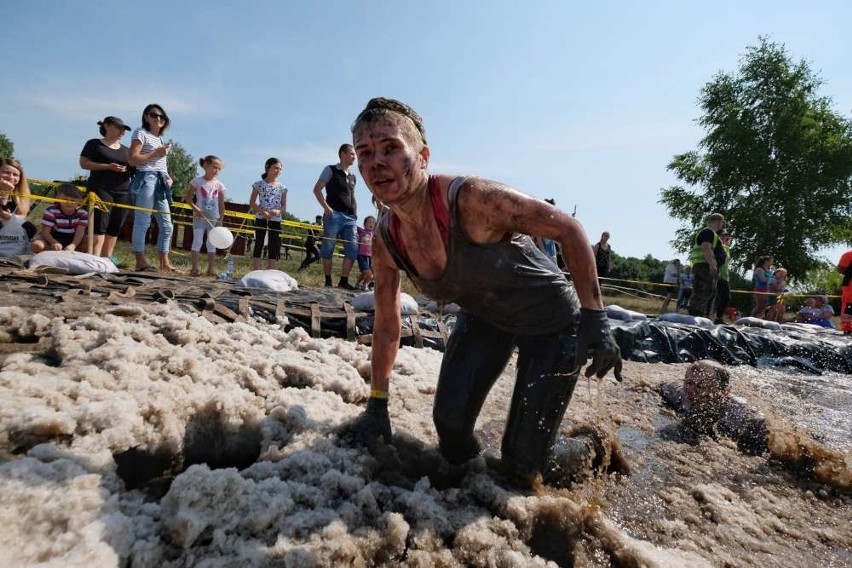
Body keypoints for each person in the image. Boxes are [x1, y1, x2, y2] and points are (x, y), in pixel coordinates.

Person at [342, 97, 622, 488]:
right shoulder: (388, 239)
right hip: (486, 318)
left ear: (422, 156)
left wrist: (596, 316)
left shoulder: (474, 200)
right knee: (451, 434)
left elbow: (569, 229)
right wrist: (377, 403)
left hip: (553, 324)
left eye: (391, 148)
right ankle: (480, 481)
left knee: (524, 466)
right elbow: (388, 325)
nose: (376, 163)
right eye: (365, 153)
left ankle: (588, 447)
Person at [659, 360, 768, 455]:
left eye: (701, 386)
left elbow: (772, 437)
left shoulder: (741, 414)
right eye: (689, 382)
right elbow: (657, 385)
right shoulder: (679, 393)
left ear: (725, 392)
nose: (691, 391)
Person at [128, 104, 175, 273]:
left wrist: (168, 177)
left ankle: (165, 263)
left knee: (167, 225)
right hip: (146, 178)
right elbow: (132, 160)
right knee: (143, 220)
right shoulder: (140, 133)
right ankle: (140, 261)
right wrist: (156, 153)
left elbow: (159, 163)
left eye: (162, 117)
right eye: (154, 115)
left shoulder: (161, 139)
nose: (158, 119)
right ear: (146, 117)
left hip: (160, 180)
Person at [78, 116, 133, 258]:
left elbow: (135, 169)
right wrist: (108, 167)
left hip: (123, 190)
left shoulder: (127, 150)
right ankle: (95, 257)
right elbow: (84, 163)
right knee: (100, 223)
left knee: (116, 225)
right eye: (119, 128)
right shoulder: (94, 144)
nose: (122, 131)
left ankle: (107, 258)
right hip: (100, 188)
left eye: (124, 129)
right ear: (107, 126)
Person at [313, 144, 359, 289]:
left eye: (354, 154)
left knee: (352, 249)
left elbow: (351, 195)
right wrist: (327, 209)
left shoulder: (353, 176)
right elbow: (317, 189)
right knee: (328, 247)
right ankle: (328, 281)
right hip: (334, 215)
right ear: (342, 154)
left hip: (351, 218)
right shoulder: (330, 169)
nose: (354, 157)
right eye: (351, 154)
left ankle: (343, 281)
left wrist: (355, 213)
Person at [186, 155, 226, 277]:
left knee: (211, 243)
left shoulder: (219, 185)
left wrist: (221, 219)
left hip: (213, 217)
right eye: (214, 167)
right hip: (199, 217)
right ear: (206, 165)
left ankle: (211, 269)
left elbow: (221, 203)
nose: (217, 171)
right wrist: (197, 210)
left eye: (219, 169)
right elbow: (188, 199)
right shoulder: (197, 181)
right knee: (197, 240)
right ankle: (194, 269)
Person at [249, 158, 287, 270]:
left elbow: (284, 205)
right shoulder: (258, 184)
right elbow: (252, 203)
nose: (278, 171)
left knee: (273, 245)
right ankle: (256, 270)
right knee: (259, 243)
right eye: (275, 168)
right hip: (261, 217)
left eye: (280, 169)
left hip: (275, 219)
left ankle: (271, 271)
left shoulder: (283, 187)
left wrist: (278, 211)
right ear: (267, 167)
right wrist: (262, 212)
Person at [30, 183, 89, 253]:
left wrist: (73, 245)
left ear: (79, 201)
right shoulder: (51, 211)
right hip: (54, 236)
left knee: (90, 241)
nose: (69, 203)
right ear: (58, 198)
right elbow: (45, 232)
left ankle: (72, 255)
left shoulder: (83, 214)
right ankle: (53, 254)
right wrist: (54, 242)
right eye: (65, 199)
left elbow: (80, 233)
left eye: (73, 200)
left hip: (73, 238)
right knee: (37, 245)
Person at [0, 159, 36, 257]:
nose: (11, 177)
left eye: (15, 174)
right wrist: (4, 193)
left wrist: (9, 216)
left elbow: (21, 216)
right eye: (6, 172)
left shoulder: (22, 192)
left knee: (30, 228)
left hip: (9, 230)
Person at [713, 230, 732, 324]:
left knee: (726, 298)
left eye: (728, 237)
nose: (728, 238)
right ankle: (710, 316)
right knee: (714, 296)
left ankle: (718, 318)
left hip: (725, 276)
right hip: (717, 275)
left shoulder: (727, 248)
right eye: (725, 236)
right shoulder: (717, 247)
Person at [356, 215, 376, 290]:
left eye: (373, 222)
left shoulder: (375, 234)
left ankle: (358, 283)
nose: (371, 224)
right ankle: (364, 285)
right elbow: (353, 226)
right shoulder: (361, 231)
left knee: (370, 273)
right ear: (364, 224)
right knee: (368, 274)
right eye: (369, 222)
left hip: (371, 257)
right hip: (362, 255)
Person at [838, 249, 852, 334]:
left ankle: (848, 332)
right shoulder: (849, 254)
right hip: (849, 293)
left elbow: (840, 269)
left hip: (849, 294)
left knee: (848, 326)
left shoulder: (848, 254)